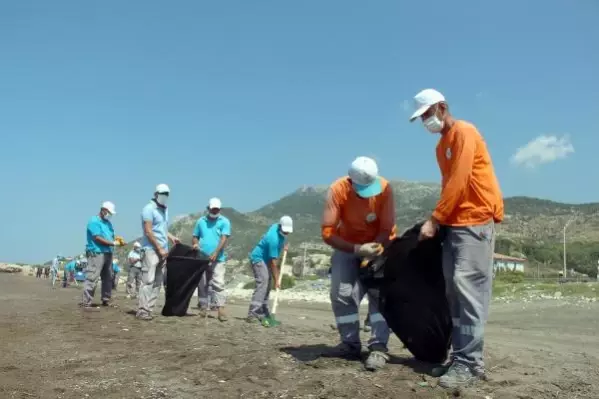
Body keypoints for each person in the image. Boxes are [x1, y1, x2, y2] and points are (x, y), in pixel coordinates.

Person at [409, 88, 504, 388]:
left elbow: (461, 181)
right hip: (455, 224)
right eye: (422, 117)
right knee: (455, 293)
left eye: (427, 114)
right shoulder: (441, 146)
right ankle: (461, 356)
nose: (426, 121)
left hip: (475, 221)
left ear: (442, 107)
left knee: (469, 292)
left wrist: (434, 219)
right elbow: (448, 185)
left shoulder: (464, 132)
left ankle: (470, 364)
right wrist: (442, 221)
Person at [320, 156, 397, 371]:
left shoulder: (385, 189)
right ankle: (350, 344)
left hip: (379, 246)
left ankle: (378, 347)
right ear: (351, 182)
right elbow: (327, 232)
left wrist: (374, 250)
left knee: (379, 295)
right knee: (342, 292)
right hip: (347, 245)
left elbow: (386, 228)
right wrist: (356, 250)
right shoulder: (337, 190)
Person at [136, 184, 180, 321]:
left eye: (167, 194)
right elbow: (148, 231)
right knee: (148, 280)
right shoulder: (148, 209)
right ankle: (142, 310)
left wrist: (171, 237)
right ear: (155, 194)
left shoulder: (164, 210)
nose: (164, 196)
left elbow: (162, 229)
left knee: (157, 282)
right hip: (151, 250)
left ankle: (149, 309)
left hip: (163, 250)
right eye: (162, 193)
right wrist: (159, 248)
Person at [246, 216, 293, 323]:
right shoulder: (273, 239)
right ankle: (252, 314)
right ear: (280, 227)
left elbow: (277, 249)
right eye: (285, 232)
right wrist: (277, 280)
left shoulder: (276, 227)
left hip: (266, 259)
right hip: (258, 258)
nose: (286, 234)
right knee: (263, 282)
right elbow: (273, 263)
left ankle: (263, 311)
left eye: (287, 232)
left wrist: (283, 248)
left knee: (267, 284)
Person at [192, 197, 232, 322]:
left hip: (218, 258)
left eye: (217, 210)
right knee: (202, 284)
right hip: (202, 258)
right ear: (208, 208)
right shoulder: (200, 221)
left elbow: (224, 239)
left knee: (218, 283)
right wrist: (195, 244)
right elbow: (195, 236)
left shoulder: (224, 221)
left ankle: (221, 309)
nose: (215, 212)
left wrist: (216, 252)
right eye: (213, 209)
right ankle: (203, 308)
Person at [80, 201, 123, 310]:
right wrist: (113, 243)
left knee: (108, 277)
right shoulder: (93, 221)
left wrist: (117, 240)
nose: (110, 215)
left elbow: (110, 236)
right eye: (109, 212)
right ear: (103, 210)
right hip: (96, 252)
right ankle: (86, 302)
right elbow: (97, 238)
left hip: (108, 252)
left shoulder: (108, 223)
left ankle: (106, 299)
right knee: (92, 276)